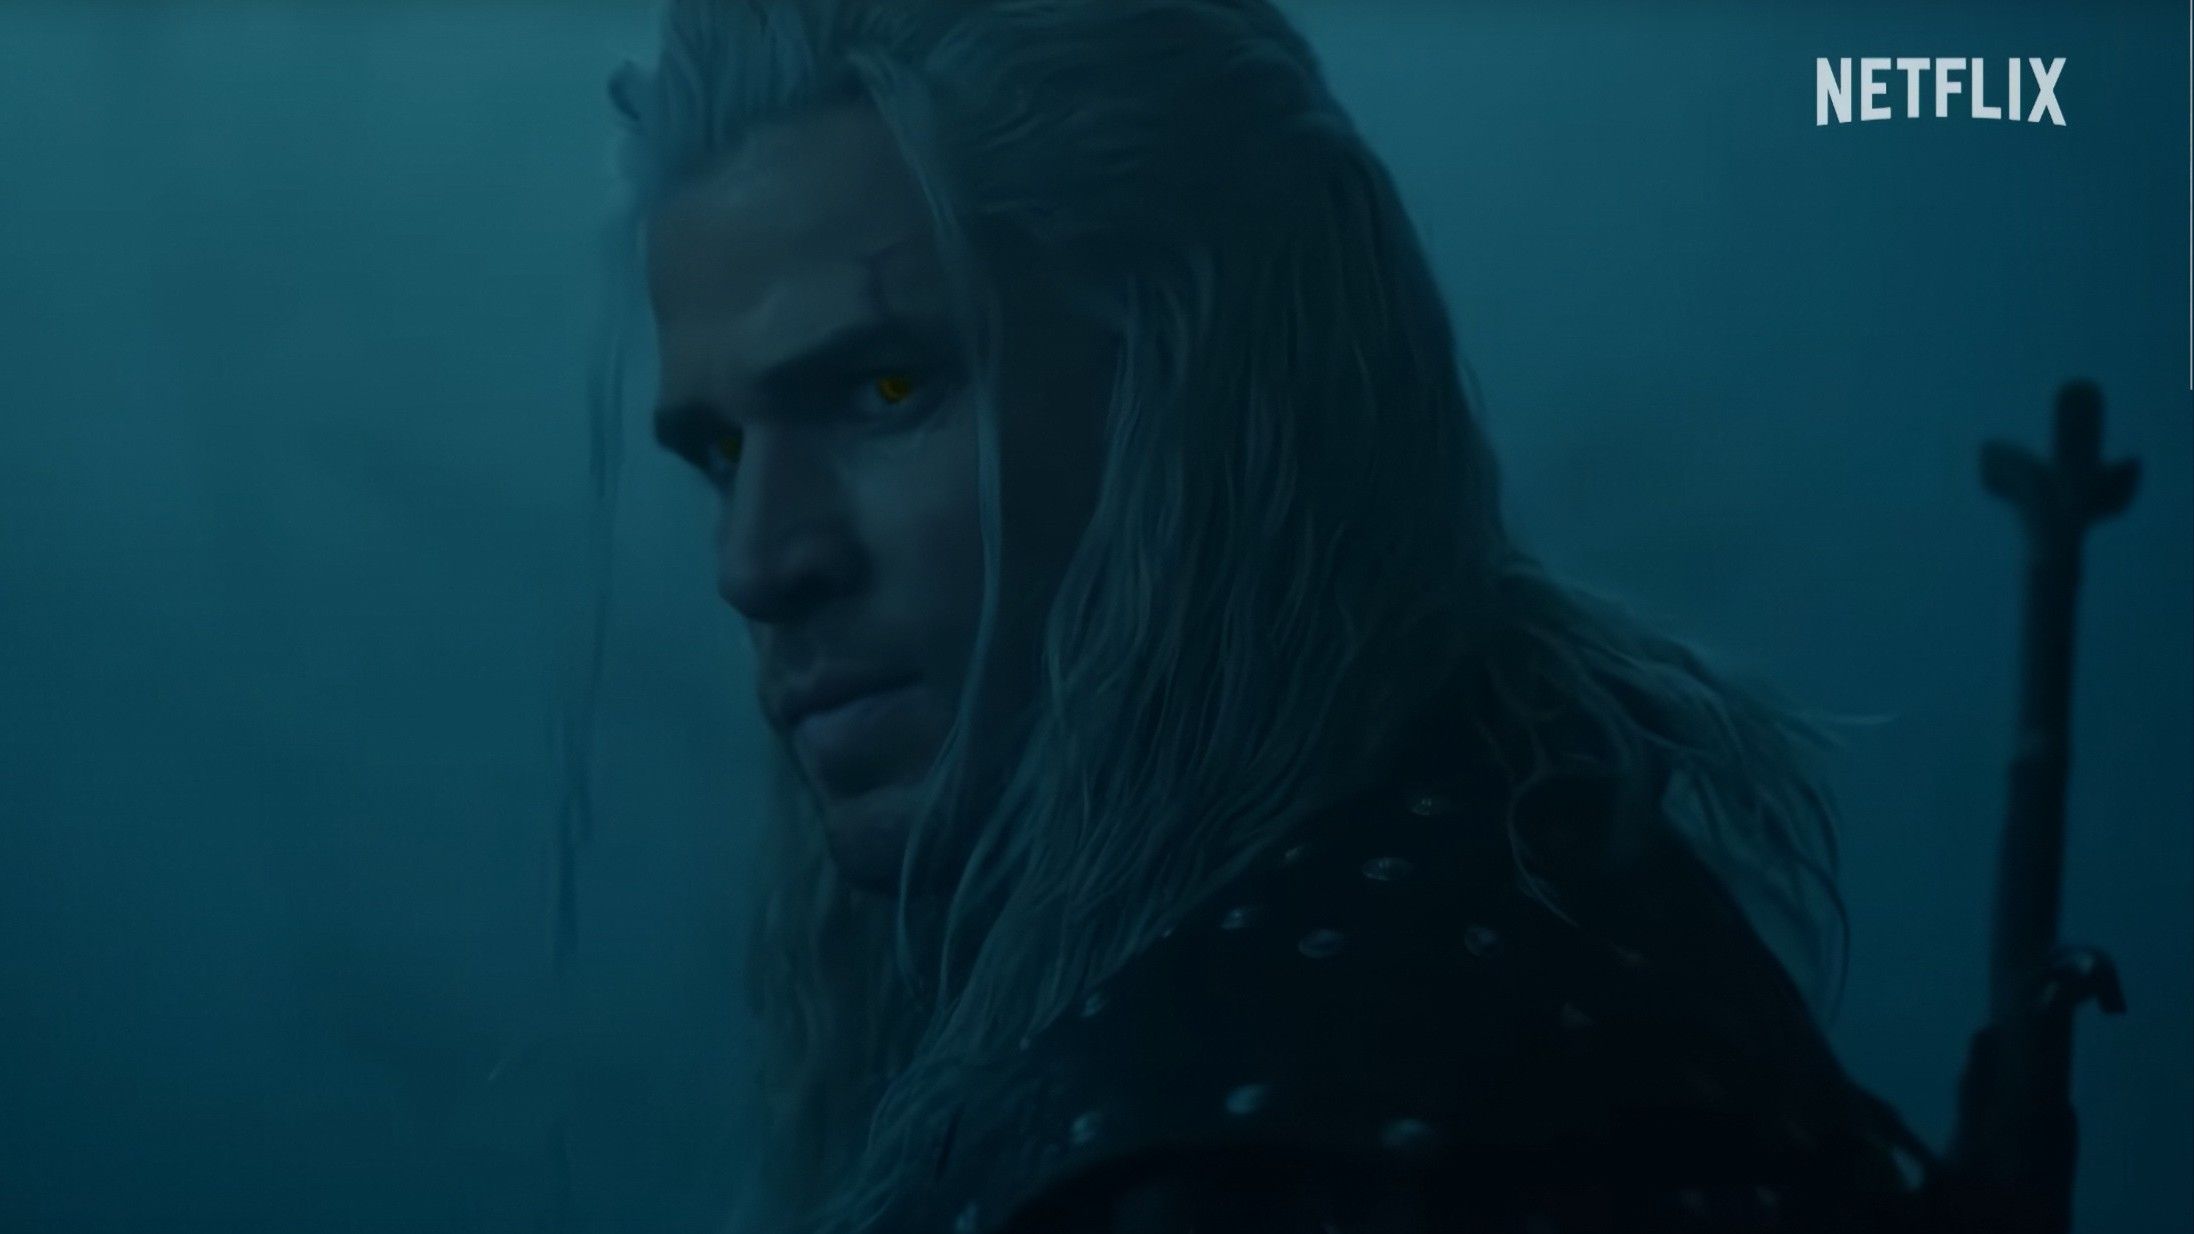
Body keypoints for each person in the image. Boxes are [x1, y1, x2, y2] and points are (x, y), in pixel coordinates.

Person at [609, 1, 1932, 1229]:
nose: (755, 562)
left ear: (1198, 390)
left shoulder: (1325, 1119)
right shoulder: (1440, 952)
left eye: (885, 388)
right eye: (720, 451)